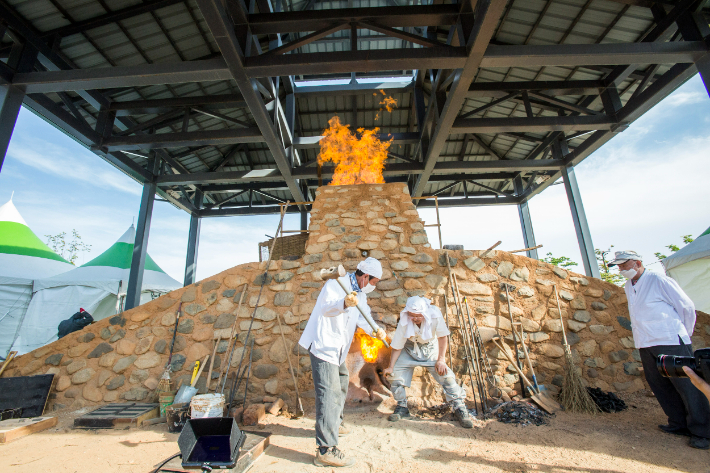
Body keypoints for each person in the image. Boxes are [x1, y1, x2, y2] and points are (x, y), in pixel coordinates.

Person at [608, 251, 709, 449]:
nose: (621, 270)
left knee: (688, 385)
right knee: (660, 384)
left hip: (670, 339)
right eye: (618, 266)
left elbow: (686, 306)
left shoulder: (659, 280)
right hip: (646, 342)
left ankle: (703, 431)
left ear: (637, 263)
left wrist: (683, 333)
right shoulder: (629, 286)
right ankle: (678, 423)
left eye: (624, 265)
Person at [298, 257, 388, 468]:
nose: (374, 286)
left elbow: (363, 317)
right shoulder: (335, 283)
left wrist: (375, 329)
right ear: (365, 277)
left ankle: (335, 423)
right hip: (323, 345)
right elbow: (326, 309)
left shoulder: (361, 294)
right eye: (374, 282)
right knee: (328, 394)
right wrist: (343, 303)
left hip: (337, 349)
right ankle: (326, 450)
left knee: (340, 382)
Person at [382, 296, 473, 428]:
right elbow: (397, 346)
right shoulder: (405, 319)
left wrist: (441, 360)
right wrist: (390, 367)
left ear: (424, 313)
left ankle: (459, 407)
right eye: (412, 315)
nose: (415, 318)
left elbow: (442, 337)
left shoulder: (435, 316)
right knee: (394, 375)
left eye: (418, 316)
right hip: (409, 348)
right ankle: (402, 406)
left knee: (445, 375)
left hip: (430, 349)